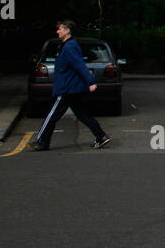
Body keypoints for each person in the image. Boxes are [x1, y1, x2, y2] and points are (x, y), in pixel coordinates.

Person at [29, 20, 111, 150]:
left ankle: (42, 142)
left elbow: (79, 65)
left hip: (67, 88)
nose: (58, 31)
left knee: (52, 114)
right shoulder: (67, 45)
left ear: (67, 31)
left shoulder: (69, 46)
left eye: (60, 29)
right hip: (72, 88)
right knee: (82, 114)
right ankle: (101, 136)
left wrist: (90, 82)